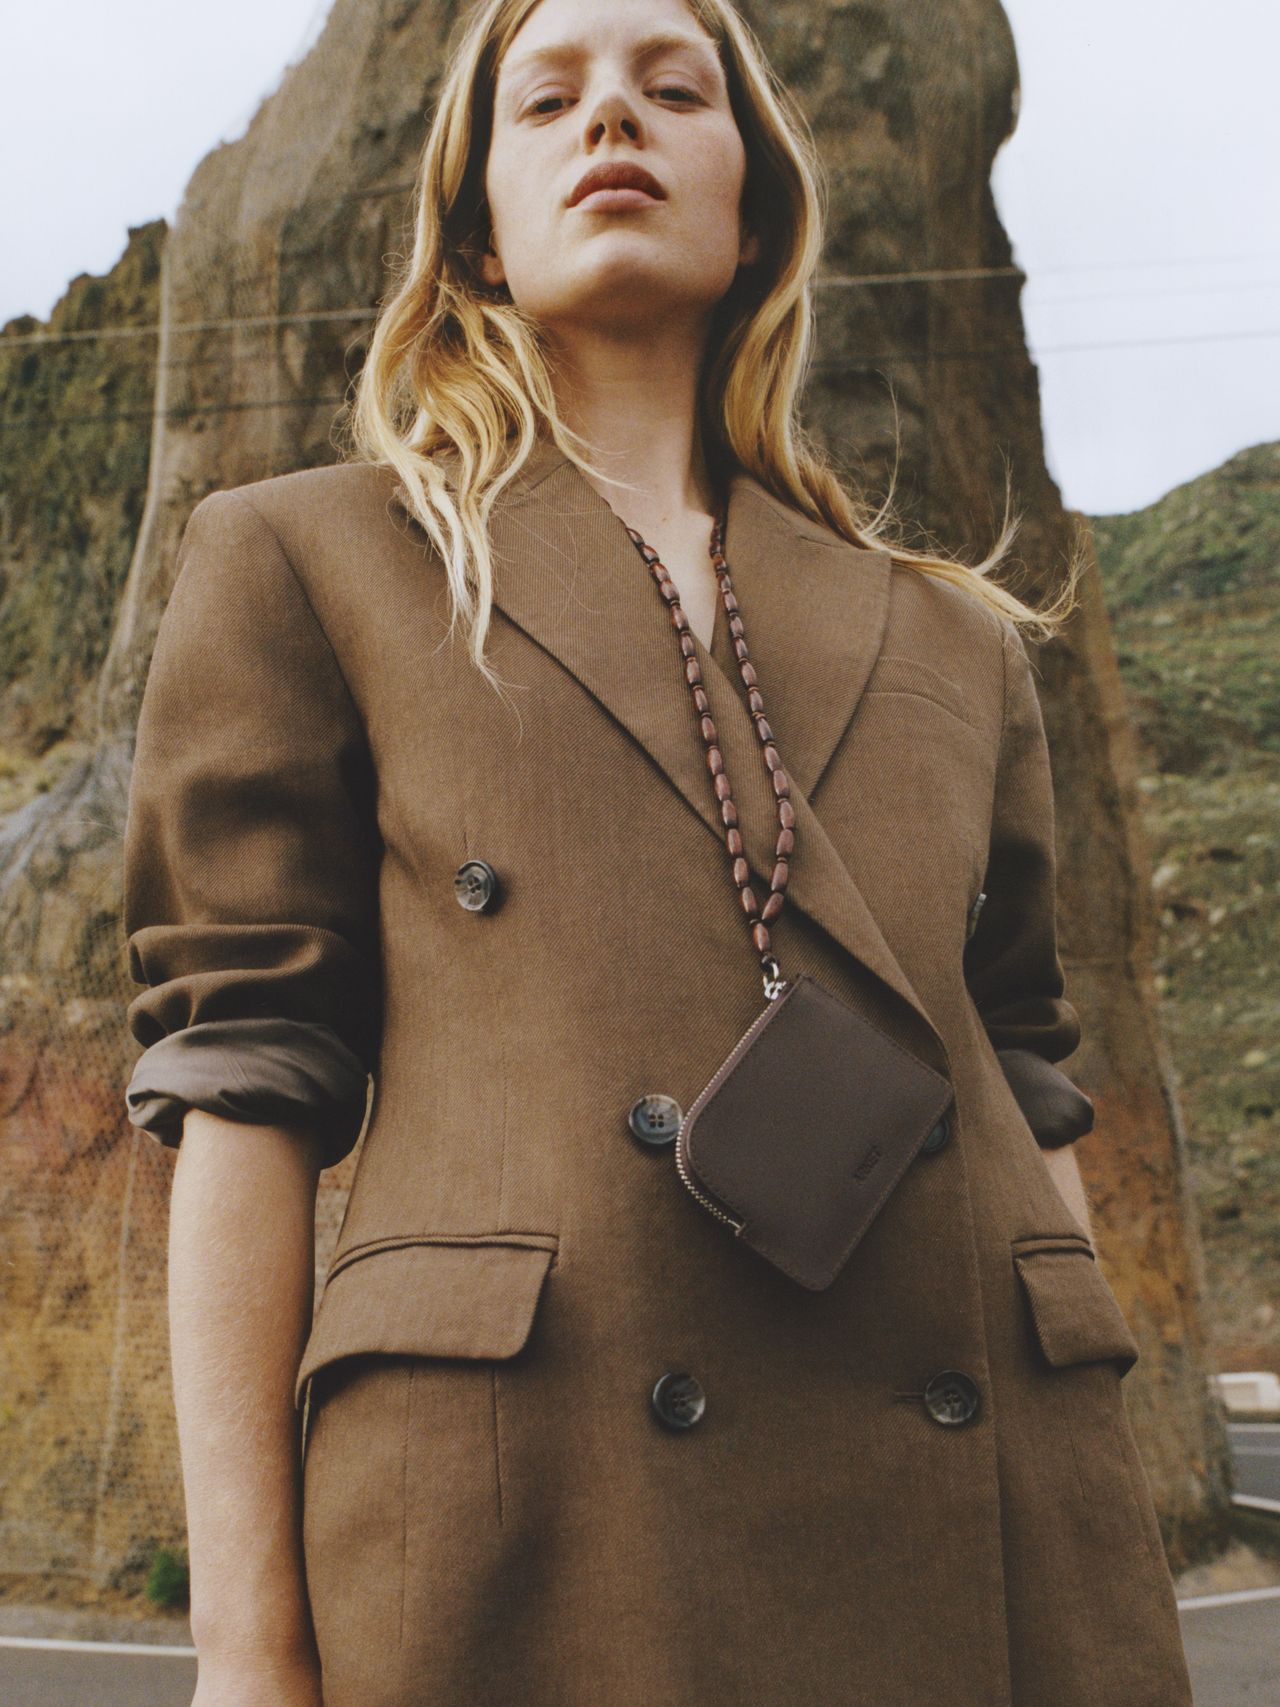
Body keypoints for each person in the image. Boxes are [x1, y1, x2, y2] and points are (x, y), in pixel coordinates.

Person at [121, 0, 1196, 1702]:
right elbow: (245, 1087)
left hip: (980, 1511)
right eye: (547, 98)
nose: (609, 115)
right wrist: (247, 1649)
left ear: (753, 202)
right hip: (541, 1513)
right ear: (477, 217)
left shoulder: (956, 637)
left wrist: (1091, 1499)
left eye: (668, 88)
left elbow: (1025, 1080)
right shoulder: (306, 560)